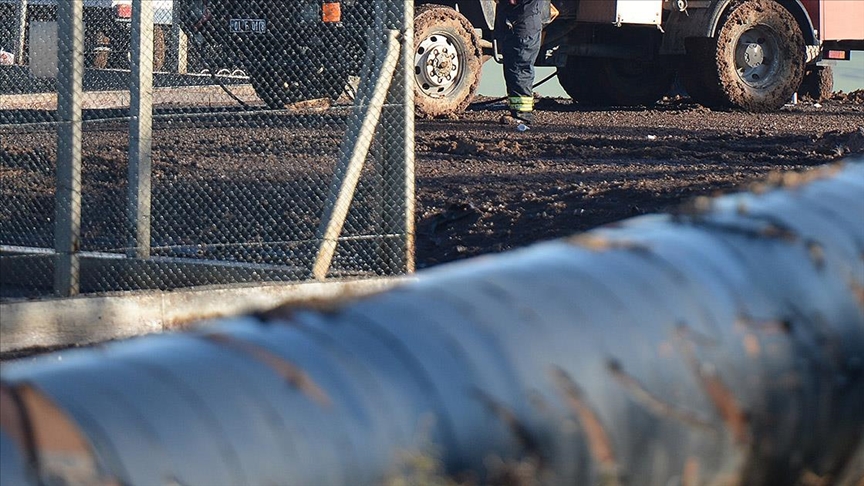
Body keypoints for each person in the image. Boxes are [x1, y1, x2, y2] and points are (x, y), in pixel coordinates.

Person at [495, 0, 552, 128]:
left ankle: (522, 115)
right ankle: (519, 112)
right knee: (516, 66)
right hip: (520, 25)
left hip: (523, 28)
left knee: (520, 67)